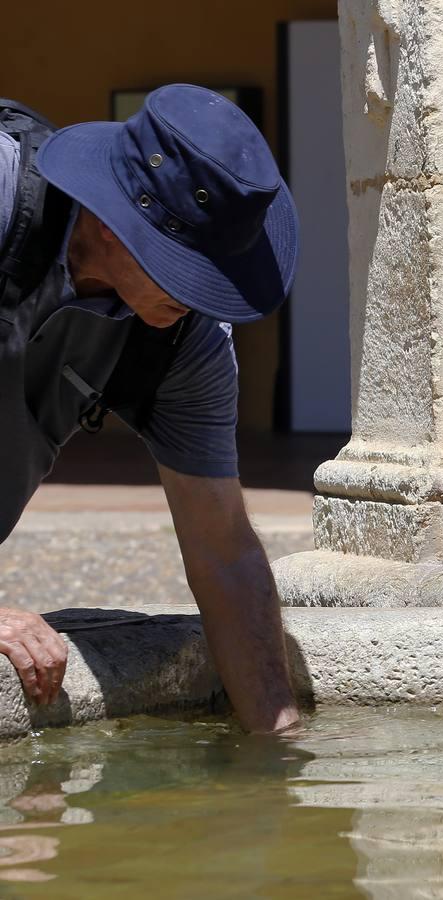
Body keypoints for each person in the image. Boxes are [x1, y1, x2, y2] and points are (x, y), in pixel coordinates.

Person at [0, 84, 301, 731]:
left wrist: (277, 759)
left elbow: (225, 552)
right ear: (111, 219)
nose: (202, 298)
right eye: (186, 270)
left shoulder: (185, 341)